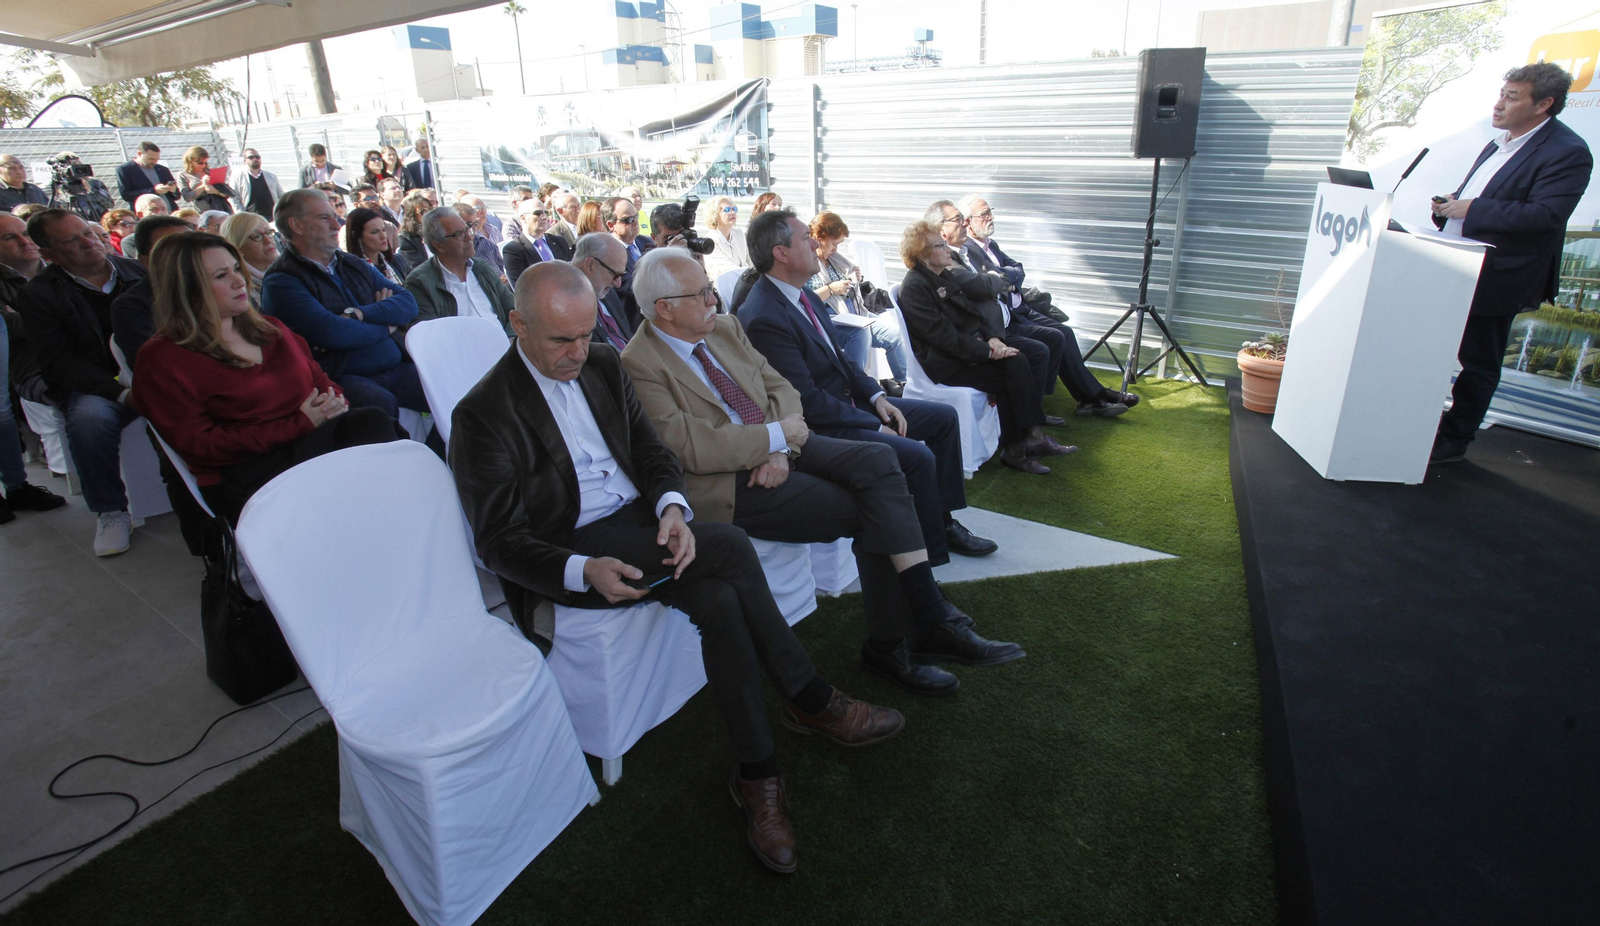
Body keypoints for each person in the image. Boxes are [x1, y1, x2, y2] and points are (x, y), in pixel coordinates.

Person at [450, 259, 905, 874]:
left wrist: (670, 506)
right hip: (579, 552)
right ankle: (810, 697)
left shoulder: (604, 364)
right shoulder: (482, 413)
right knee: (730, 548)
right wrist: (582, 570)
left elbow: (650, 450)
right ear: (516, 325)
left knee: (719, 600)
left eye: (586, 334)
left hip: (643, 525)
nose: (578, 351)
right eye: (562, 339)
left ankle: (758, 774)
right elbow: (499, 540)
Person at [623, 247, 1021, 688]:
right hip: (728, 483)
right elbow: (689, 446)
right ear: (665, 309)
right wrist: (772, 442)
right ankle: (904, 636)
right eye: (701, 294)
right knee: (870, 508)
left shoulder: (723, 328)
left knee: (882, 459)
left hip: (781, 445)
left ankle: (923, 620)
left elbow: (781, 387)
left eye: (710, 289)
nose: (714, 299)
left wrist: (776, 445)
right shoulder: (637, 364)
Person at [739, 206, 997, 559]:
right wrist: (874, 425)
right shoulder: (763, 316)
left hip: (850, 405)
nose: (816, 242)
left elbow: (842, 361)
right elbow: (805, 401)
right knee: (918, 456)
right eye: (805, 238)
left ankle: (942, 520)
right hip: (821, 426)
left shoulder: (804, 295)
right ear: (780, 254)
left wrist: (877, 396)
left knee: (942, 419)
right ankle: (929, 557)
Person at [130, 233, 400, 524]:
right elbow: (199, 445)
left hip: (310, 442)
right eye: (222, 275)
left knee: (374, 427)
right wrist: (298, 424)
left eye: (237, 268)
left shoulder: (270, 329)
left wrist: (331, 403)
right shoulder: (163, 358)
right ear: (187, 288)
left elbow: (322, 382)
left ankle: (392, 523)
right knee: (373, 444)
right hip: (247, 472)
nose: (239, 281)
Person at [1429, 63, 1594, 464]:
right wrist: (1447, 207)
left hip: (1499, 274)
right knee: (1431, 348)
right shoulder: (1497, 144)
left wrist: (1472, 207)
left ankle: (1454, 440)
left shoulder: (1567, 152)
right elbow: (1475, 197)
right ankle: (1423, 420)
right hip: (1452, 263)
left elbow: (1544, 216)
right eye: (1502, 93)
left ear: (1544, 104)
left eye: (1512, 96)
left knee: (1479, 361)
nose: (1499, 104)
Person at [14, 209, 150, 554]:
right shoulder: (39, 295)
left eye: (87, 233)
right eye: (71, 241)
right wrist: (121, 393)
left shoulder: (135, 270)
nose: (88, 242)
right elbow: (60, 363)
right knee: (90, 421)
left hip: (154, 370)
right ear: (48, 255)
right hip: (99, 384)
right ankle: (111, 510)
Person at [897, 219, 1072, 475]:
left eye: (944, 243)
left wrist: (992, 338)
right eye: (939, 245)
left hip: (967, 351)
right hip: (945, 364)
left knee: (1017, 362)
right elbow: (942, 338)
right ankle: (1022, 443)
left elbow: (974, 313)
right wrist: (988, 351)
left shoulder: (941, 274)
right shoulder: (915, 287)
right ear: (923, 256)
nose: (948, 249)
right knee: (1012, 369)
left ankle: (1025, 442)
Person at [259, 189, 430, 426]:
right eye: (323, 218)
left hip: (396, 365)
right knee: (379, 417)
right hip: (343, 378)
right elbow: (333, 332)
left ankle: (446, 460)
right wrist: (387, 325)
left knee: (456, 394)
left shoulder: (352, 263)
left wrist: (361, 313)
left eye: (334, 215)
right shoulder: (282, 281)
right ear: (296, 225)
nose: (336, 223)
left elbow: (408, 303)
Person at [955, 195, 1136, 417]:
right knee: (1055, 338)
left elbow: (1017, 269)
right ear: (967, 221)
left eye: (990, 211)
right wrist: (1007, 279)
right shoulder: (968, 249)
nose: (990, 217)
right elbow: (997, 281)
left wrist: (1009, 280)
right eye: (983, 214)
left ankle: (1092, 396)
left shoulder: (991, 244)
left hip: (1022, 309)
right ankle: (1086, 398)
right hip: (1008, 317)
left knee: (1065, 332)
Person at [0, 212, 66, 524]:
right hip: (25, 368)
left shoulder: (59, 268)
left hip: (67, 359)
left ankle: (17, 487)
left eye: (25, 233)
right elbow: (11, 327)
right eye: (8, 237)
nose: (25, 241)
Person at [807, 210, 909, 388]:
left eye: (838, 244)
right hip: (824, 317)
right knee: (859, 333)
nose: (835, 249)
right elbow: (805, 299)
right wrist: (831, 289)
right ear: (819, 237)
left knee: (894, 333)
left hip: (851, 312)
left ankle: (904, 384)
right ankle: (856, 387)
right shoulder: (806, 260)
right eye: (833, 243)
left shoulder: (835, 260)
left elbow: (848, 288)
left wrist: (855, 278)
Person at [404, 206, 515, 335]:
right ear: (439, 245)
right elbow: (430, 336)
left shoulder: (481, 268)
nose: (469, 237)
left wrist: (510, 340)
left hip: (504, 345)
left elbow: (513, 310)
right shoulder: (420, 282)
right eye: (459, 234)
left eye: (468, 229)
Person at [109, 215, 195, 370]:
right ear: (147, 261)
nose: (190, 254)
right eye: (173, 248)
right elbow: (153, 366)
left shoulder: (224, 284)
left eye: (194, 244)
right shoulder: (131, 306)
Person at [572, 232, 637, 350]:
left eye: (621, 275)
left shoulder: (606, 290)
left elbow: (628, 336)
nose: (618, 284)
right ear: (590, 265)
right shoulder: (563, 300)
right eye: (614, 274)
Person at [220, 211, 278, 303]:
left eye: (268, 232)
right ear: (237, 246)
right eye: (257, 236)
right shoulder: (239, 288)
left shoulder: (290, 267)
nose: (268, 241)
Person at [344, 207, 411, 286]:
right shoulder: (352, 272)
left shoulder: (397, 260)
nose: (383, 236)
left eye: (383, 230)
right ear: (357, 236)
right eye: (374, 232)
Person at [502, 197, 559, 285]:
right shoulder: (513, 250)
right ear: (523, 218)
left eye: (546, 212)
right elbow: (521, 287)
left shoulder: (558, 242)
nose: (544, 217)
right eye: (538, 213)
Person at [115, 141, 180, 212]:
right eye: (151, 159)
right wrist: (154, 190)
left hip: (170, 212)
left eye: (157, 159)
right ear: (139, 154)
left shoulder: (162, 169)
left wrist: (173, 190)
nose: (155, 162)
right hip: (147, 214)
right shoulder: (125, 169)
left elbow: (177, 195)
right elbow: (126, 195)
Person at [452, 198, 506, 277]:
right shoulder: (451, 248)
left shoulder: (488, 245)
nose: (473, 229)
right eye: (468, 225)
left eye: (476, 223)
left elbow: (503, 268)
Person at [703, 195, 750, 281]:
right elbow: (729, 269)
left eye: (734, 209)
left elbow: (751, 262)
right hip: (722, 288)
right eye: (727, 210)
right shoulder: (710, 239)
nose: (732, 213)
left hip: (744, 283)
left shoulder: (740, 234)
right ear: (715, 215)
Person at [229, 148, 283, 221]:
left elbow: (281, 196)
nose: (255, 159)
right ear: (245, 160)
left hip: (272, 217)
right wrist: (241, 215)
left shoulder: (271, 176)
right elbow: (233, 198)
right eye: (251, 157)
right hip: (251, 219)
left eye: (257, 157)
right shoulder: (237, 177)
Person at [176, 146, 233, 216]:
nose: (203, 165)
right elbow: (187, 197)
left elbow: (227, 194)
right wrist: (203, 185)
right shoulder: (183, 175)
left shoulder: (209, 172)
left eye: (205, 163)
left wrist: (216, 192)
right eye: (200, 163)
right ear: (190, 161)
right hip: (203, 213)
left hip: (221, 209)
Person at [397, 191, 433, 268]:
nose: (428, 213)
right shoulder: (405, 238)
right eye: (422, 211)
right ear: (412, 215)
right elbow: (416, 265)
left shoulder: (437, 231)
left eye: (430, 209)